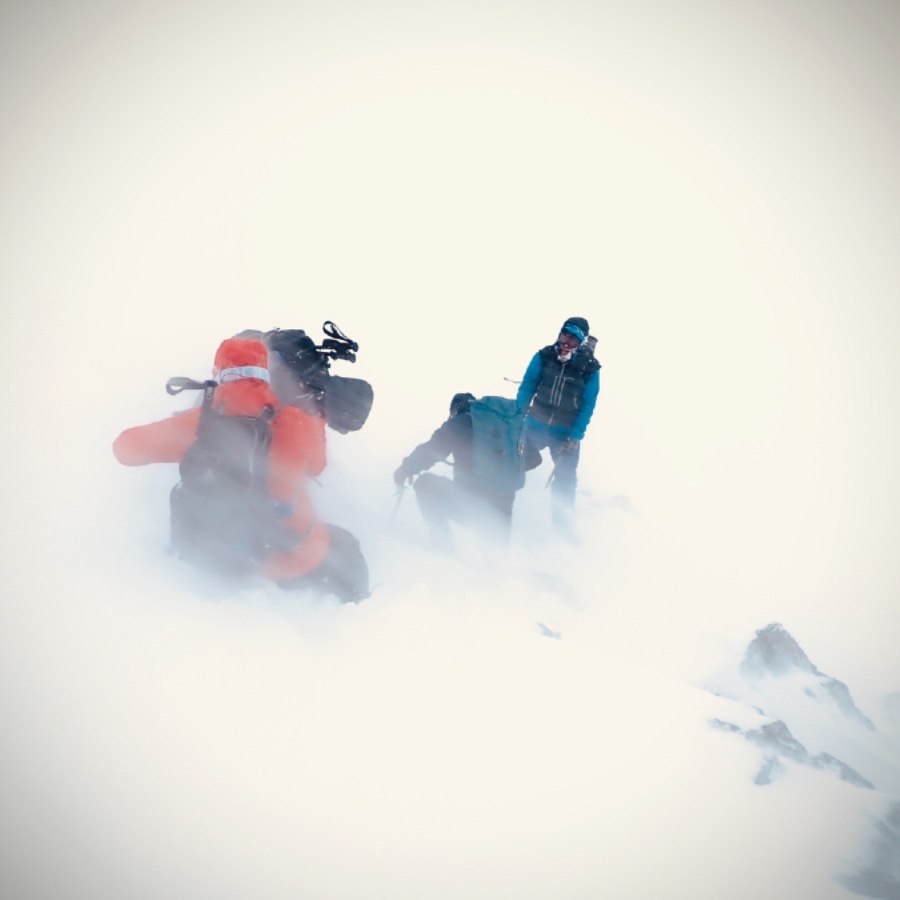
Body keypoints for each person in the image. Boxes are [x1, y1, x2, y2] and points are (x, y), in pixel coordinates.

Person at [112, 336, 369, 602]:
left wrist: (181, 427)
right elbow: (317, 467)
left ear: (219, 372)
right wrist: (317, 416)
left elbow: (124, 450)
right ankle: (362, 614)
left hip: (207, 552)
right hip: (280, 555)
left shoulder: (202, 420)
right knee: (345, 546)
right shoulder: (294, 418)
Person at [393, 392, 538, 553]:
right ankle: (499, 569)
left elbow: (432, 449)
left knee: (425, 484)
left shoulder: (460, 423)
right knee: (496, 558)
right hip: (500, 513)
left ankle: (443, 546)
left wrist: (406, 468)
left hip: (468, 504)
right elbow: (535, 458)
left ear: (455, 410)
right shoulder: (506, 427)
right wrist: (501, 467)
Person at [516, 316, 601, 537]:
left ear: (581, 342)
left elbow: (588, 405)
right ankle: (496, 503)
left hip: (564, 434)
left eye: (574, 338)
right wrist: (517, 415)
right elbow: (527, 387)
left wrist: (575, 436)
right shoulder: (544, 356)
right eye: (565, 334)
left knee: (565, 480)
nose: (567, 340)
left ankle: (562, 531)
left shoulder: (590, 369)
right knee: (515, 460)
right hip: (535, 424)